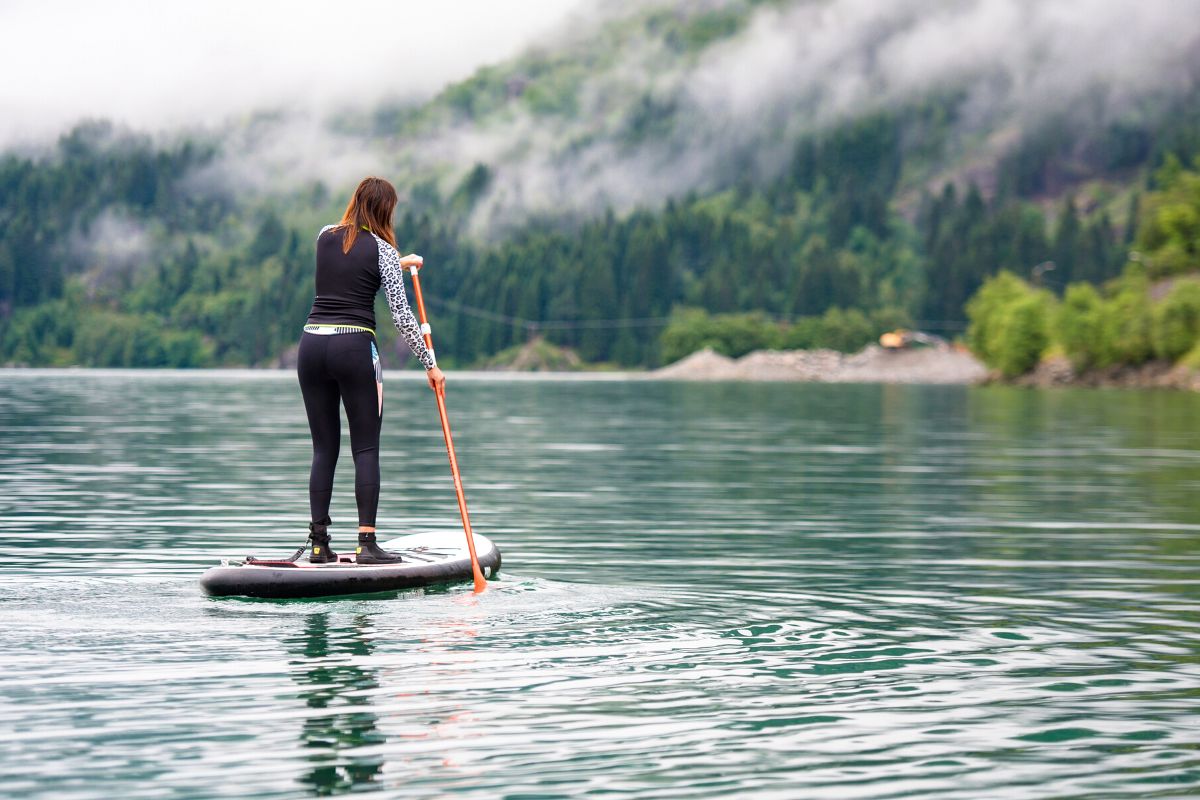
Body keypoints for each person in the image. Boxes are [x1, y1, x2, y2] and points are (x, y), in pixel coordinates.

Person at [297, 176, 445, 564]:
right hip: (354, 348)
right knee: (365, 447)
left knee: (323, 448)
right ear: (385, 211)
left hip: (311, 345)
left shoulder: (323, 235)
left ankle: (318, 544)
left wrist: (398, 263)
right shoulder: (382, 248)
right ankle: (366, 544)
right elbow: (402, 316)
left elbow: (351, 265)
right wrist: (431, 366)